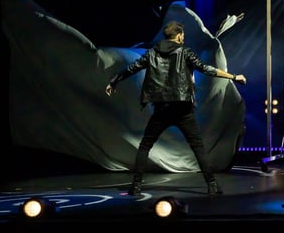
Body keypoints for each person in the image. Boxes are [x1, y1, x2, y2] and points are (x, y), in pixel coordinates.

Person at [105, 19, 247, 196]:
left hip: (162, 108)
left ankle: (136, 186)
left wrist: (114, 80)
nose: (183, 38)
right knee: (198, 147)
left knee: (145, 146)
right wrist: (233, 77)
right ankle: (211, 185)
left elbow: (132, 68)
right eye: (183, 35)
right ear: (179, 36)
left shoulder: (152, 53)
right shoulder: (185, 52)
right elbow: (206, 69)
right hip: (182, 109)